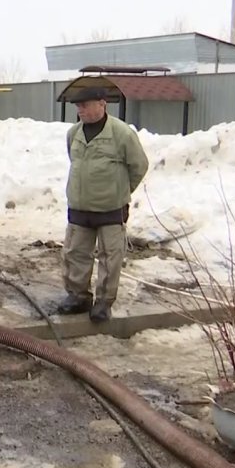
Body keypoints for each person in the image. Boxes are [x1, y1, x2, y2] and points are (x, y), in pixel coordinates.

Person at [55, 87, 149, 323]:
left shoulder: (121, 134)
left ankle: (103, 302)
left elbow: (139, 165)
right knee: (75, 254)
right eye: (78, 107)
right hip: (79, 208)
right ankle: (78, 296)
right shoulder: (73, 133)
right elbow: (73, 160)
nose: (81, 110)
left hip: (110, 209)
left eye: (85, 105)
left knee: (110, 257)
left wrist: (119, 192)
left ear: (102, 104)